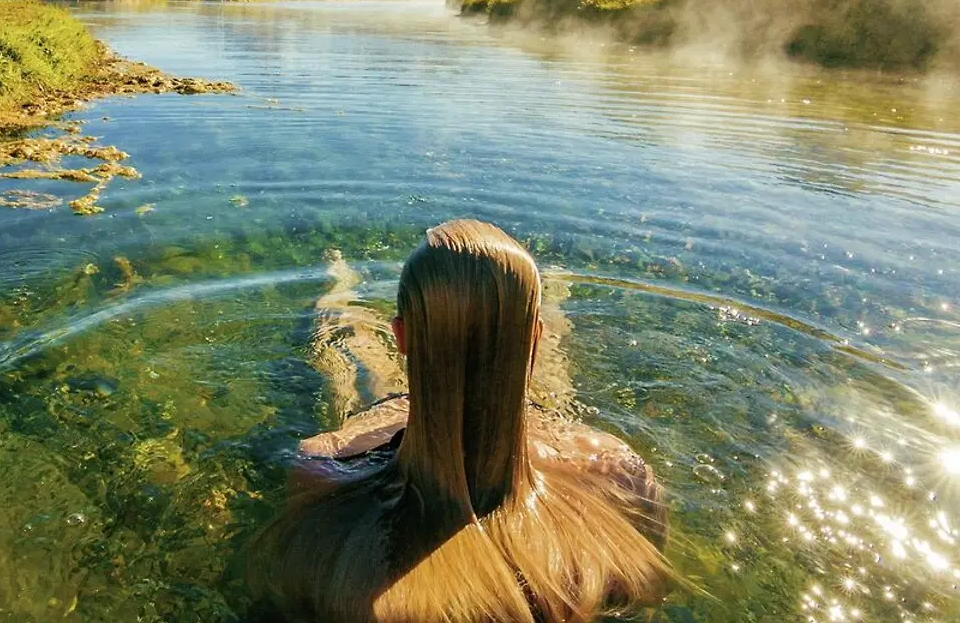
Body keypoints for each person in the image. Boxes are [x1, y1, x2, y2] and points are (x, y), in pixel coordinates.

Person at [250, 220, 670, 623]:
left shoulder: (324, 464)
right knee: (547, 366)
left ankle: (339, 282)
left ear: (401, 336)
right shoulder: (616, 469)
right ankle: (555, 287)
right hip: (542, 416)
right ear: (534, 340)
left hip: (393, 414)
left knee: (345, 340)